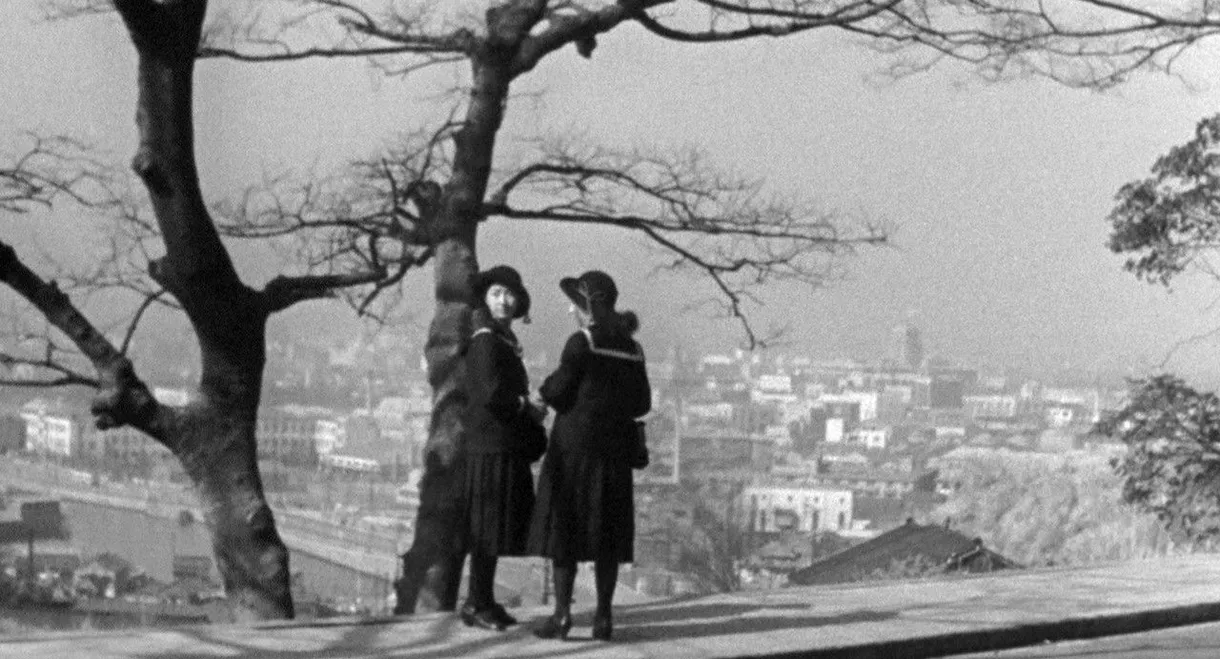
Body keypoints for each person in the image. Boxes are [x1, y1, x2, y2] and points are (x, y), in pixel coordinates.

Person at [529, 270, 651, 641]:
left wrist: (543, 391)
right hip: (613, 454)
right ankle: (603, 618)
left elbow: (560, 390)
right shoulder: (633, 348)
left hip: (573, 452)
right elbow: (642, 403)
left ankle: (563, 615)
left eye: (575, 304)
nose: (571, 312)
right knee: (607, 538)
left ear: (588, 306)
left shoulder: (582, 342)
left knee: (564, 533)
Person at [459, 265, 548, 631]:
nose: (504, 300)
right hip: (490, 447)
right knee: (486, 528)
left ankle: (482, 601)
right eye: (497, 293)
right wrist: (528, 408)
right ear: (485, 298)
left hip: (498, 445)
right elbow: (491, 393)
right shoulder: (485, 339)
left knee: (492, 529)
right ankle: (476, 603)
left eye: (510, 294)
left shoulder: (499, 338)